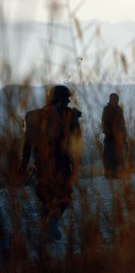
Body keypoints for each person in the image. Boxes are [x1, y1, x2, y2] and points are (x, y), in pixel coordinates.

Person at [20, 85, 82, 241]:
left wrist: (23, 165)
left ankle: (45, 233)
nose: (68, 102)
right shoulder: (70, 116)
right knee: (64, 197)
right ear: (63, 99)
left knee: (46, 199)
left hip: (40, 165)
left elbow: (27, 145)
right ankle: (51, 224)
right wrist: (75, 168)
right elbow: (76, 146)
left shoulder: (35, 116)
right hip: (61, 165)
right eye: (66, 100)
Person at [101, 93, 127, 178]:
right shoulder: (107, 109)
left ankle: (118, 173)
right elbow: (104, 123)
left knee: (118, 156)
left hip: (119, 137)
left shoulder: (119, 109)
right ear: (110, 100)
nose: (115, 101)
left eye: (116, 99)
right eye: (114, 99)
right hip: (110, 138)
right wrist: (110, 134)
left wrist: (124, 136)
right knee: (109, 156)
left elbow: (122, 123)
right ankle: (109, 174)